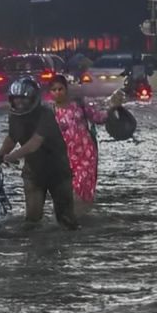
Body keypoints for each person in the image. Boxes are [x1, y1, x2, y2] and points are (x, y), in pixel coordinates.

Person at [0, 77, 79, 229]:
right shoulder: (14, 115)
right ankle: (35, 249)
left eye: (23, 100)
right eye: (16, 99)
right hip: (33, 171)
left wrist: (12, 156)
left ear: (33, 98)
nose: (19, 103)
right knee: (32, 221)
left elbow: (34, 143)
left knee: (66, 221)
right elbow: (12, 137)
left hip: (58, 171)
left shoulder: (46, 114)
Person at [48, 75, 123, 213]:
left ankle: (82, 218)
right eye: (54, 90)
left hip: (86, 155)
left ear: (66, 89)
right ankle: (77, 219)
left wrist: (112, 108)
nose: (58, 92)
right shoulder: (50, 113)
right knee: (67, 192)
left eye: (60, 89)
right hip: (64, 158)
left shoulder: (79, 105)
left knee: (82, 189)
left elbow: (98, 118)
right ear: (50, 92)